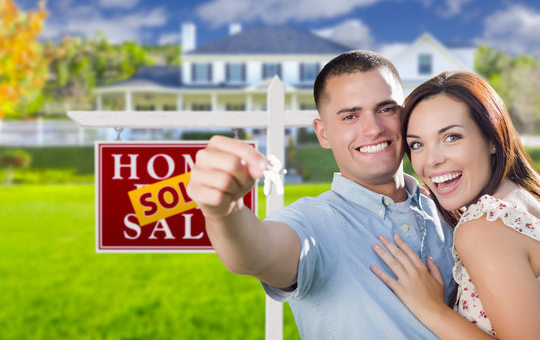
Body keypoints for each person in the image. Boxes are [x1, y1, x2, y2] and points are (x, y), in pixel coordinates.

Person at [188, 50, 456, 339]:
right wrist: (224, 213)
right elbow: (258, 254)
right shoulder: (314, 221)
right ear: (323, 133)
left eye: (386, 109)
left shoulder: (448, 207)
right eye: (350, 116)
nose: (373, 129)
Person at [371, 71, 540, 339]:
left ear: (492, 139)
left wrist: (432, 310)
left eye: (451, 137)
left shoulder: (484, 228)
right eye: (417, 144)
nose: (432, 160)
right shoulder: (523, 198)